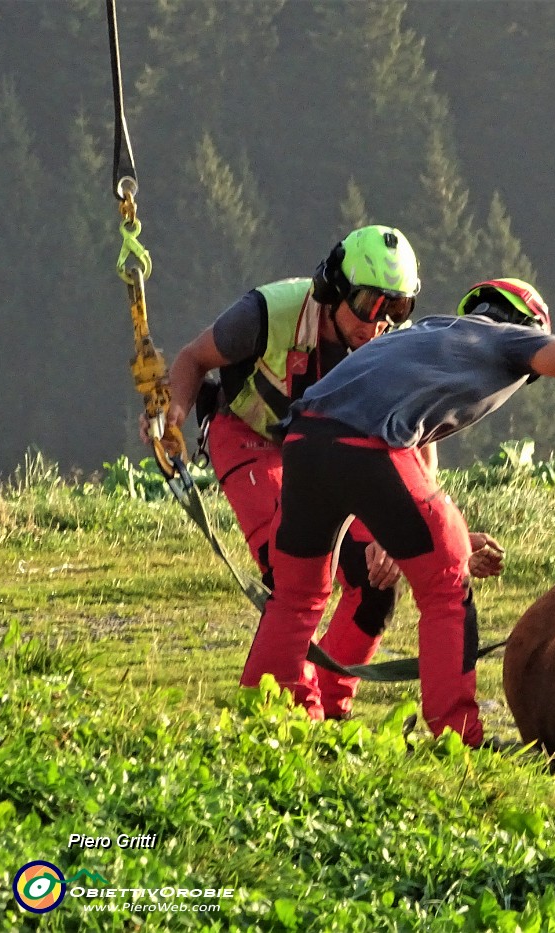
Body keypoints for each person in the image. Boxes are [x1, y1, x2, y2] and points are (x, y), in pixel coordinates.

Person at [243, 276, 555, 746]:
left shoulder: (424, 333)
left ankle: (267, 718)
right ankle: (457, 736)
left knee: (297, 595)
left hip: (303, 440)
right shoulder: (508, 339)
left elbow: (393, 460)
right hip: (369, 445)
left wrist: (436, 532)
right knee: (446, 581)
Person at [146, 224, 435, 720]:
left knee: (375, 585)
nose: (380, 323)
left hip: (332, 450)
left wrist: (404, 527)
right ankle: (293, 715)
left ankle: (333, 709)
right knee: (295, 572)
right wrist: (172, 414)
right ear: (334, 289)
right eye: (369, 304)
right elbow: (194, 359)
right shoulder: (266, 313)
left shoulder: (393, 346)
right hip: (250, 436)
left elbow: (416, 438)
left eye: (398, 308)